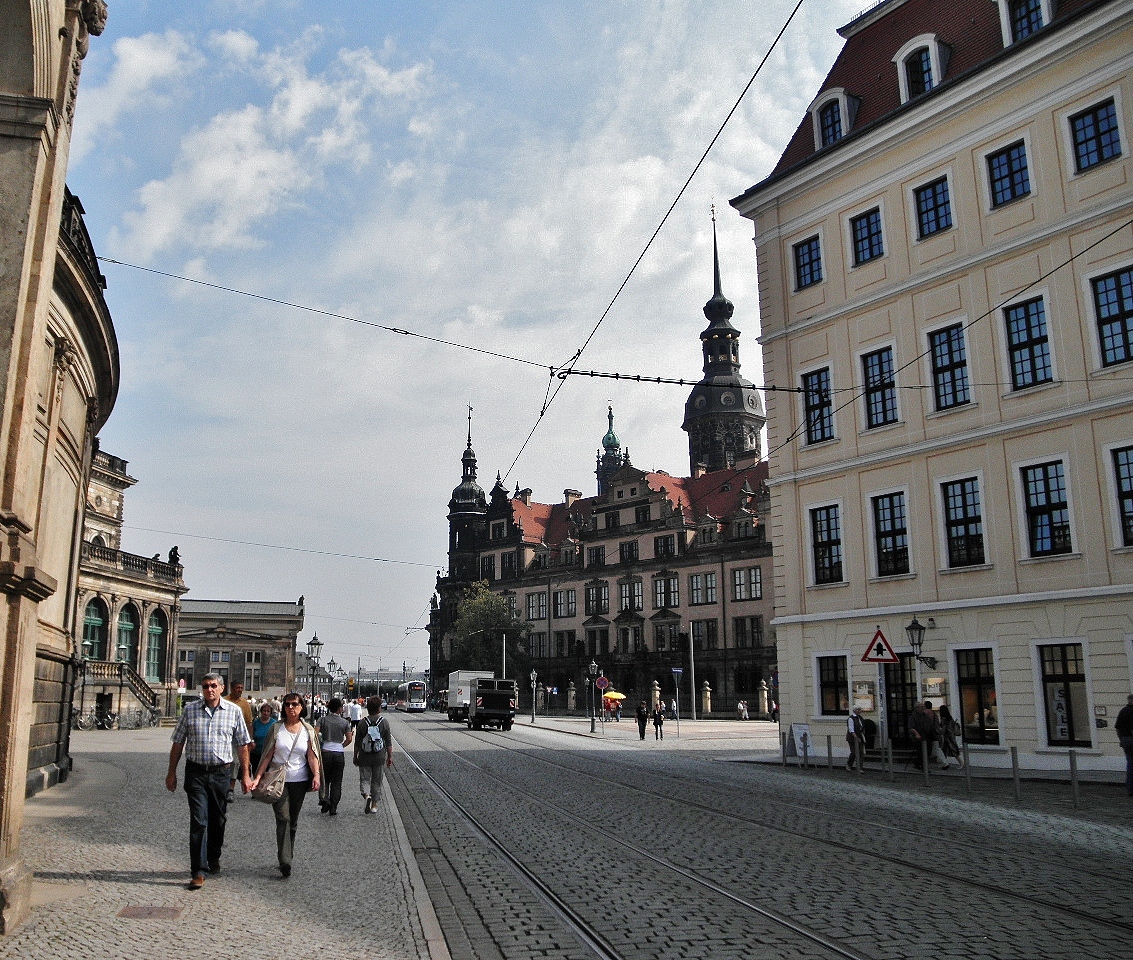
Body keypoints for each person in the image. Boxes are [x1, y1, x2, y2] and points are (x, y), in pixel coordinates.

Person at [165, 673, 253, 890]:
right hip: (196, 772)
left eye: (213, 686)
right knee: (199, 821)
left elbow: (243, 744)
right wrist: (171, 772)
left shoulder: (234, 712)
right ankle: (198, 870)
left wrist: (245, 775)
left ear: (222, 688)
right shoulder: (190, 710)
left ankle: (213, 856)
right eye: (205, 686)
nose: (209, 690)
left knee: (218, 820)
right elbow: (178, 742)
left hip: (221, 774)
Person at [251, 692, 322, 878]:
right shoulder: (276, 729)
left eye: (294, 704)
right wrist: (257, 777)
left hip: (299, 781)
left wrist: (317, 776)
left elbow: (312, 755)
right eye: (288, 704)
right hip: (278, 781)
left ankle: (287, 853)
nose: (291, 707)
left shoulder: (308, 730)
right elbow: (267, 755)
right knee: (283, 817)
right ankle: (285, 860)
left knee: (293, 821)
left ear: (301, 708)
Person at [353, 696, 393, 814]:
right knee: (377, 780)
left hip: (365, 756)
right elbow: (388, 742)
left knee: (365, 779)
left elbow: (357, 742)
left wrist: (355, 756)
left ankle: (366, 795)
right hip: (379, 755)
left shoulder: (362, 723)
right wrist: (389, 756)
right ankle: (374, 805)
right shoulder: (384, 722)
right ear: (379, 709)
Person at [318, 697, 353, 815]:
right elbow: (349, 739)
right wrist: (341, 746)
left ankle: (324, 800)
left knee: (325, 779)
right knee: (337, 782)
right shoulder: (345, 722)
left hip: (325, 752)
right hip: (338, 753)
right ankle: (333, 807)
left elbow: (315, 733)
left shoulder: (322, 720)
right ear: (339, 709)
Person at [225, 680, 254, 803]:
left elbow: (249, 723)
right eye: (238, 687)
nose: (240, 690)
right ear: (231, 688)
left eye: (242, 687)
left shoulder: (245, 704)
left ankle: (230, 789)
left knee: (235, 763)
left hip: (238, 739)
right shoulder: (224, 700)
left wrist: (250, 740)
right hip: (225, 738)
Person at [251, 701, 277, 773]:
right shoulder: (256, 722)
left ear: (270, 713)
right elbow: (251, 735)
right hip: (256, 753)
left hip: (269, 754)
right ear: (261, 712)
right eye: (264, 711)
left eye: (268, 711)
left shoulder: (274, 723)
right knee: (256, 773)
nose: (266, 713)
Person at [1115, 693, 1133, 797]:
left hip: (1125, 740)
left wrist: (1121, 739)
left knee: (1130, 764)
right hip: (1131, 739)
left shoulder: (1122, 711)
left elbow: (1117, 728)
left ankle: (1130, 789)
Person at [938, 703, 963, 769]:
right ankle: (946, 763)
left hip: (946, 737)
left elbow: (943, 730)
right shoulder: (950, 717)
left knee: (946, 750)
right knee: (950, 750)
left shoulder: (944, 719)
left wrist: (939, 730)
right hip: (951, 736)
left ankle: (946, 763)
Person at [846, 706, 865, 771]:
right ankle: (849, 764)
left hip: (860, 736)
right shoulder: (851, 718)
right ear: (855, 710)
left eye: (860, 709)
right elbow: (851, 730)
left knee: (860, 753)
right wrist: (856, 738)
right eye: (859, 710)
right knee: (854, 752)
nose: (860, 711)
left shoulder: (860, 717)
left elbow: (862, 727)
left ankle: (860, 767)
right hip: (852, 738)